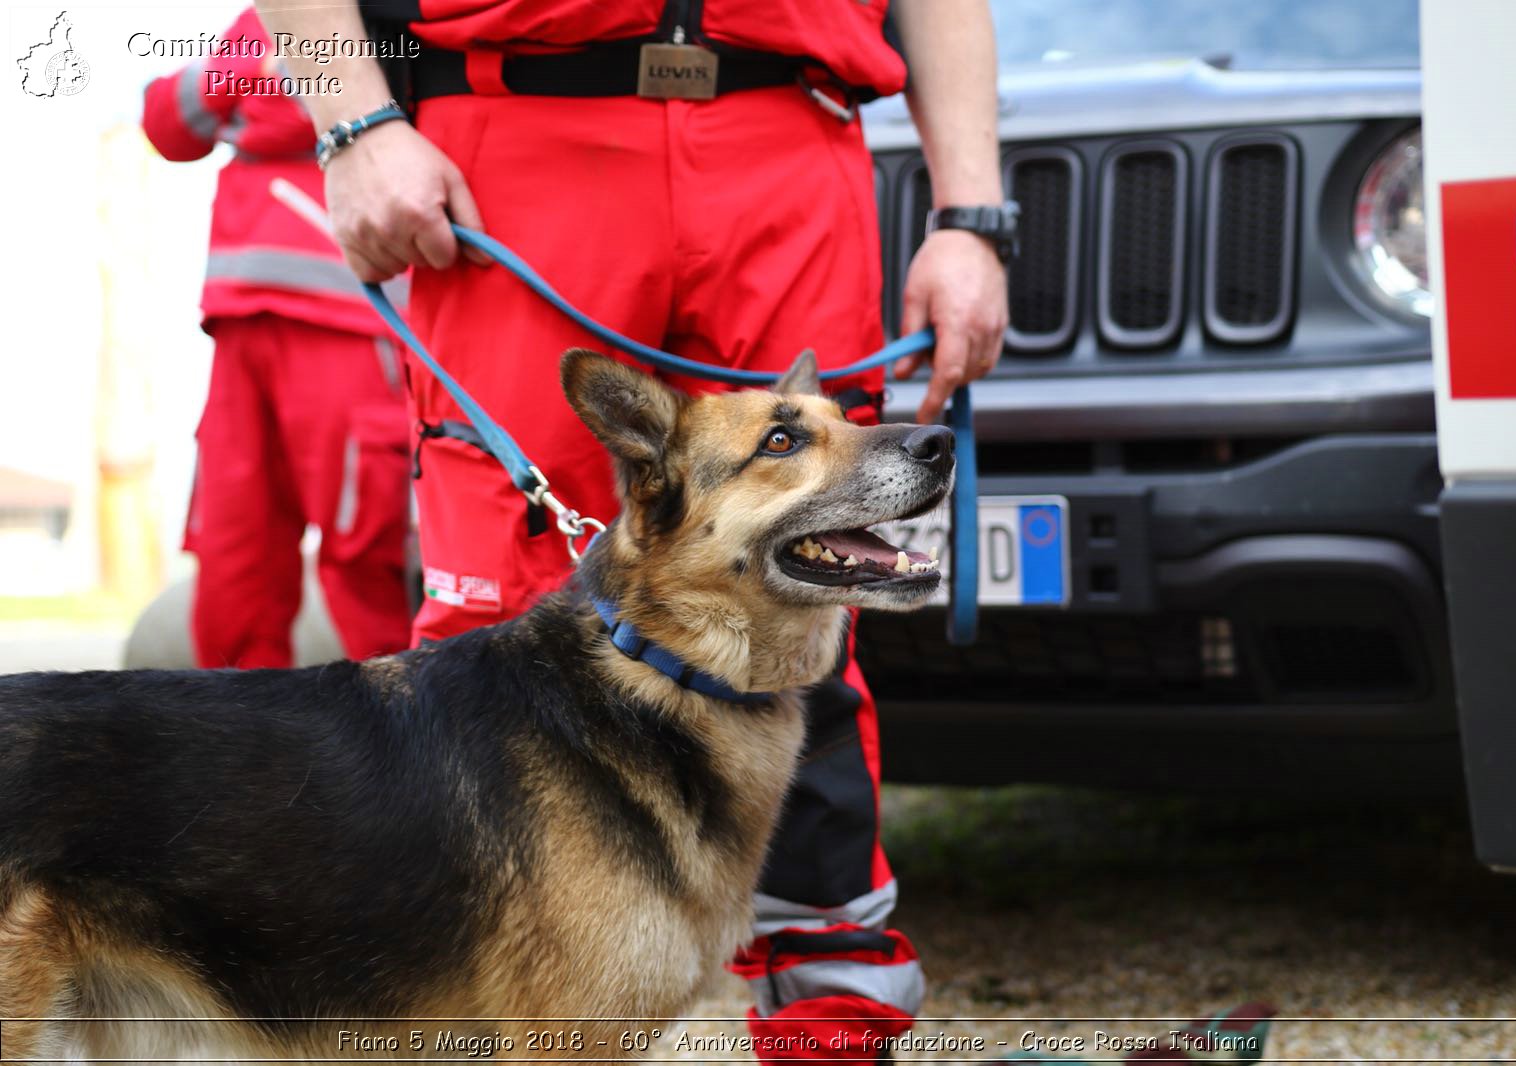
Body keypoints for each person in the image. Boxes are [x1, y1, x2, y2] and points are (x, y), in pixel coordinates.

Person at [254, 0, 1010, 1059]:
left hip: (786, 138)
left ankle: (833, 1028)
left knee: (802, 605)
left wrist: (972, 214)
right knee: (495, 655)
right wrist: (352, 120)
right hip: (514, 138)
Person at [141, 8, 415, 670]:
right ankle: (230, 742)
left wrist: (247, 99)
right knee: (233, 547)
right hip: (239, 324)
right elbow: (167, 123)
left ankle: (407, 736)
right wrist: (249, 81)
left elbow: (315, 108)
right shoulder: (265, 14)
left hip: (355, 323)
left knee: (366, 552)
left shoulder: (391, 13)